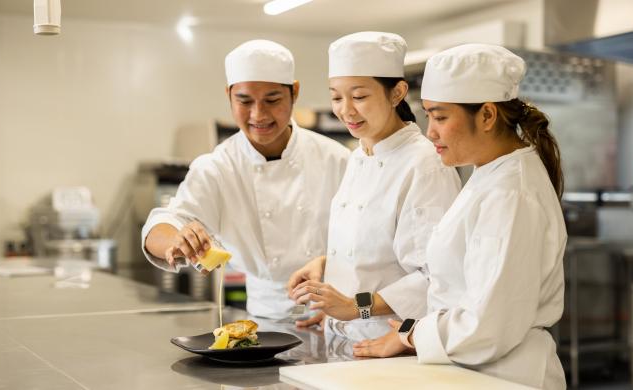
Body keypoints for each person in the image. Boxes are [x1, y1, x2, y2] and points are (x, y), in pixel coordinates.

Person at [352, 43, 567, 390]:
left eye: (440, 117)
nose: (430, 132)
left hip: (506, 375)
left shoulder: (510, 193)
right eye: (428, 117)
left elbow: (490, 324)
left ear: (486, 115)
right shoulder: (490, 175)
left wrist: (412, 334)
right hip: (473, 369)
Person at [142, 40, 350, 319]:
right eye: (244, 101)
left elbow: (368, 244)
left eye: (272, 100)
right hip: (266, 318)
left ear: (294, 92)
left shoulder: (337, 159)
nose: (258, 115)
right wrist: (178, 240)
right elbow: (161, 226)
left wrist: (346, 304)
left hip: (338, 313)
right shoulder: (217, 167)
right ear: (229, 95)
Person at [288, 32, 461, 342]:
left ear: (397, 93)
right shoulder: (358, 157)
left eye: (359, 96)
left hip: (391, 344)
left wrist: (356, 308)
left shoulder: (424, 164)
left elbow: (434, 278)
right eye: (337, 97)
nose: (346, 110)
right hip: (342, 337)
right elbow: (377, 251)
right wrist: (329, 266)